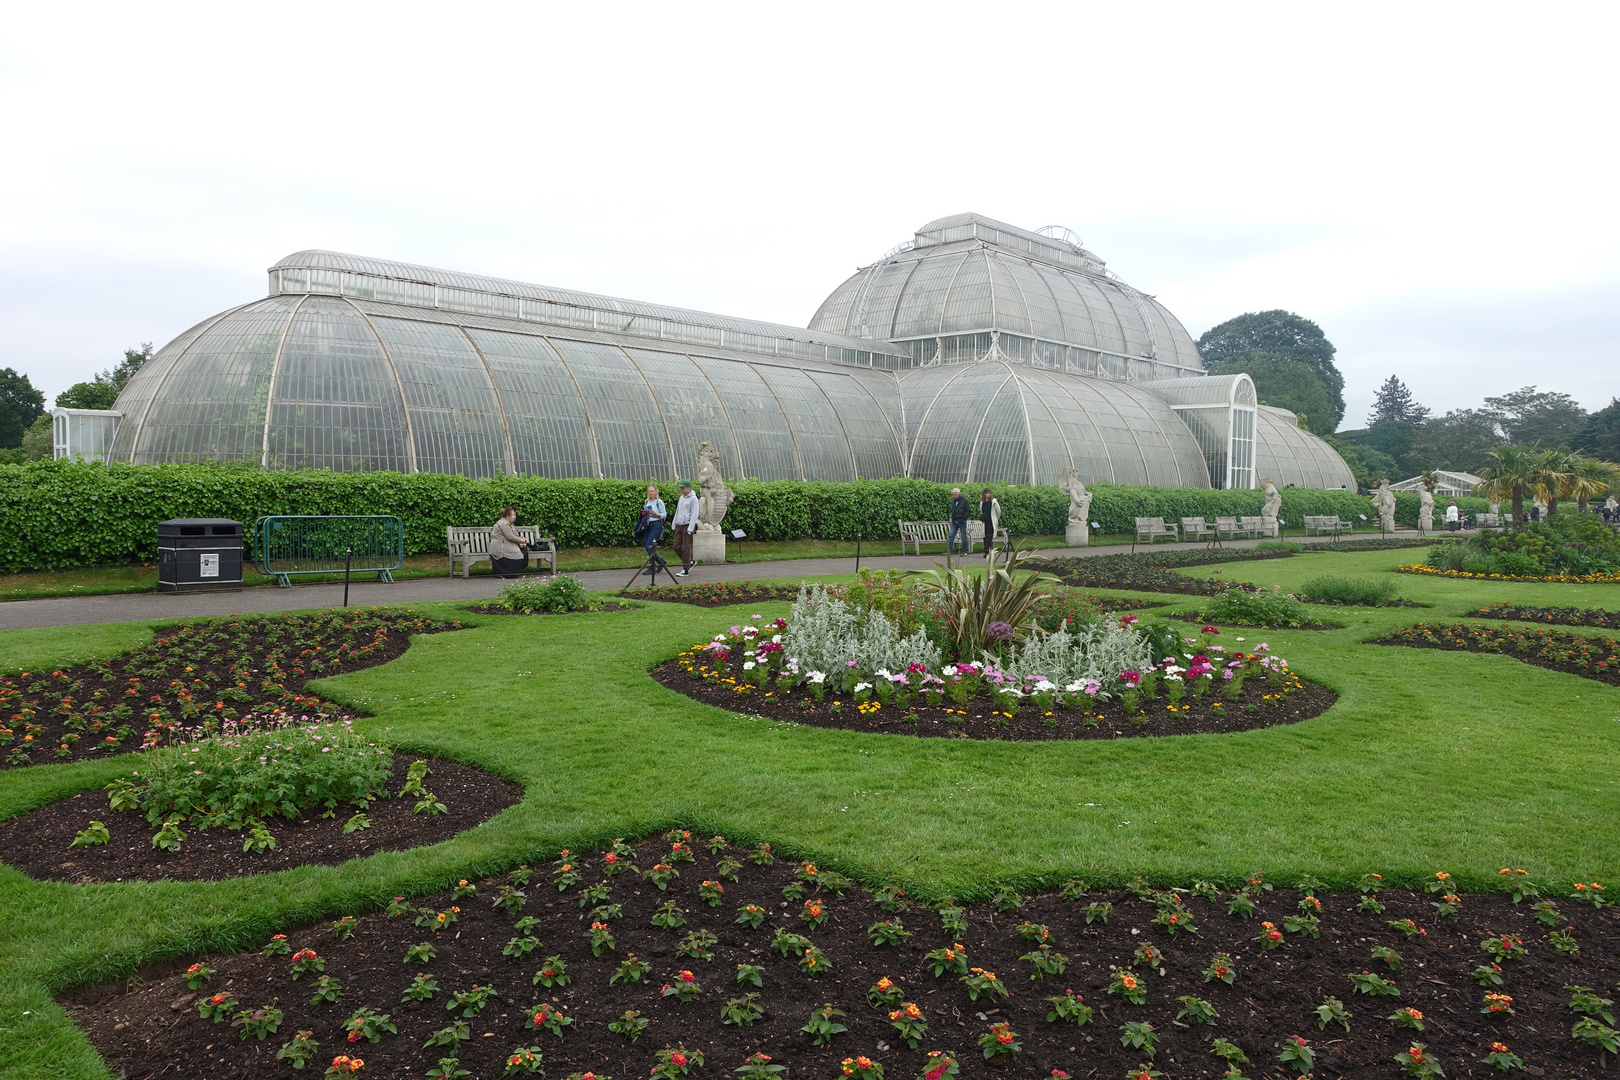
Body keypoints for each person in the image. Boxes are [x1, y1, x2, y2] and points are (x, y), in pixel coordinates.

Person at [489, 506, 530, 579]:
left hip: (506, 545)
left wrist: (520, 540)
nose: (515, 516)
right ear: (508, 516)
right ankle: (505, 573)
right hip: (500, 548)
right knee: (517, 553)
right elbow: (510, 536)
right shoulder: (503, 524)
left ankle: (511, 573)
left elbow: (513, 536)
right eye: (513, 515)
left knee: (523, 550)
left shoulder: (508, 524)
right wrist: (520, 540)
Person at [670, 480, 699, 575]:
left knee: (685, 547)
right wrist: (674, 524)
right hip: (679, 524)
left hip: (687, 525)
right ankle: (689, 561)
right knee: (676, 546)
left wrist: (690, 528)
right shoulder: (681, 498)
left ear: (688, 488)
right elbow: (677, 511)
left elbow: (694, 514)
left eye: (683, 488)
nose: (681, 490)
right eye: (681, 488)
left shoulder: (694, 499)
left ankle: (685, 569)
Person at [636, 484, 666, 563]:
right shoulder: (646, 501)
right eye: (649, 491)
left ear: (656, 492)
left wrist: (655, 513)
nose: (650, 493)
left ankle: (651, 565)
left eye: (652, 491)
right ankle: (660, 561)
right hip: (647, 525)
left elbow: (664, 514)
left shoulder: (659, 502)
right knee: (647, 546)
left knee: (650, 545)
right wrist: (644, 513)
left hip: (656, 524)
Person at [948, 487, 972, 555]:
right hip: (954, 521)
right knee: (951, 535)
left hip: (961, 520)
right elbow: (953, 510)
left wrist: (964, 518)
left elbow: (968, 511)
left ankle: (965, 551)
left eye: (955, 494)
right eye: (953, 494)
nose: (954, 496)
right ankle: (949, 550)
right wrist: (952, 518)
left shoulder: (964, 501)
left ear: (958, 494)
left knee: (963, 536)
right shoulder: (953, 501)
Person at [979, 487, 1001, 558]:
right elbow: (982, 511)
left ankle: (988, 550)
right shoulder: (982, 502)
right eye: (986, 493)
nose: (988, 495)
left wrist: (995, 518)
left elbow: (998, 511)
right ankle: (986, 550)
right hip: (985, 521)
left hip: (991, 521)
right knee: (985, 536)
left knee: (989, 535)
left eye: (989, 493)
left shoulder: (994, 502)